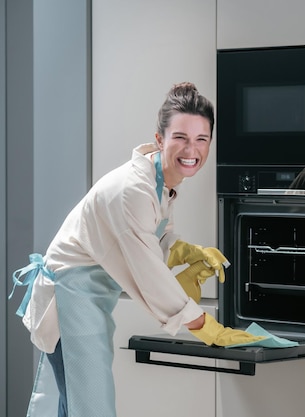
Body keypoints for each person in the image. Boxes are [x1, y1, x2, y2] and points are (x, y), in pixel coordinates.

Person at [9, 82, 264, 417]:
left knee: (78, 405)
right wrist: (202, 324)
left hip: (87, 300)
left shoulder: (161, 183)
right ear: (160, 139)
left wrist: (182, 250)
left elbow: (147, 240)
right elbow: (145, 268)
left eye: (202, 139)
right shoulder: (133, 189)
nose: (192, 149)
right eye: (181, 137)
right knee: (90, 408)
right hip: (70, 299)